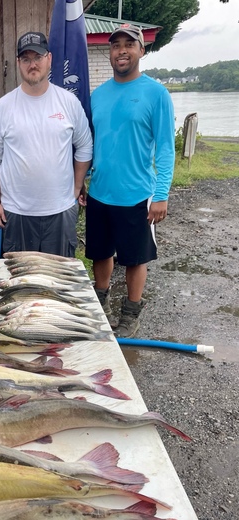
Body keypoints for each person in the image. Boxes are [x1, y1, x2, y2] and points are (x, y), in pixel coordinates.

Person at [85, 24, 175, 337]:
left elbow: (165, 148)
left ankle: (131, 312)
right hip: (100, 192)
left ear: (141, 50)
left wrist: (161, 193)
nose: (121, 51)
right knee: (100, 253)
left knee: (136, 258)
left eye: (128, 45)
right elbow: (93, 144)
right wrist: (84, 178)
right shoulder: (98, 95)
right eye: (115, 45)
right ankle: (101, 302)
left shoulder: (156, 93)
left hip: (137, 194)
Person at [0, 31, 92, 257]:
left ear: (49, 59)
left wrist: (75, 187)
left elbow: (84, 146)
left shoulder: (68, 102)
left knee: (58, 281)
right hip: (17, 212)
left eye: (38, 57)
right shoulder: (3, 107)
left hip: (60, 210)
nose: (32, 64)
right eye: (26, 59)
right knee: (21, 282)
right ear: (18, 63)